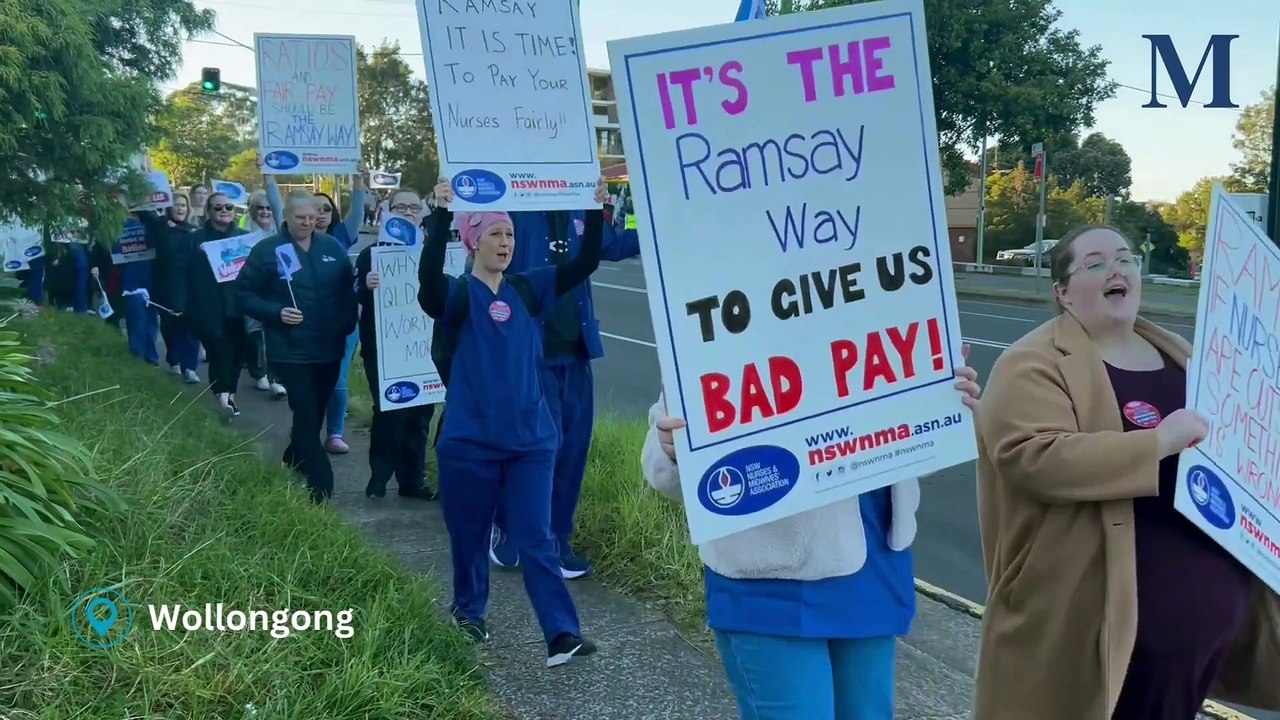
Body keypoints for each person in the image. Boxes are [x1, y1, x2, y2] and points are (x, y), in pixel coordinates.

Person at [973, 225, 1280, 719]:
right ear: (1063, 292)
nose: (1116, 269)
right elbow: (1034, 458)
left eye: (1126, 259)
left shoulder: (1177, 353)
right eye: (1095, 263)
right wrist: (1158, 443)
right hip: (1096, 635)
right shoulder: (1030, 363)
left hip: (1198, 640)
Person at [641, 356, 982, 720]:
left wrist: (944, 404)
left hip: (873, 565)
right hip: (770, 583)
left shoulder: (883, 316)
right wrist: (674, 451)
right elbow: (664, 473)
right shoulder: (713, 331)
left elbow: (911, 451)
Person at [418, 177, 607, 666]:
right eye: (496, 234)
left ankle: (562, 634)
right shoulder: (459, 297)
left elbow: (584, 263)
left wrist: (595, 209)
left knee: (537, 537)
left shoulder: (528, 288)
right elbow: (428, 290)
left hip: (530, 442)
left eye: (510, 236)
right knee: (470, 535)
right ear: (473, 240)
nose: (506, 243)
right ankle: (469, 612)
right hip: (470, 443)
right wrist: (439, 217)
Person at [488, 201, 641, 579]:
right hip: (529, 352)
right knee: (536, 447)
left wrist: (662, 220)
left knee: (572, 448)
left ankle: (557, 539)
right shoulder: (515, 208)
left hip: (575, 351)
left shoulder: (579, 207)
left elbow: (613, 246)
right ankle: (508, 527)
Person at [237, 190, 358, 504]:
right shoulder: (267, 251)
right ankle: (320, 485)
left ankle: (294, 455)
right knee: (304, 411)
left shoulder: (332, 247)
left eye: (313, 217)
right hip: (290, 350)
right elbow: (245, 295)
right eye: (300, 218)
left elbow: (348, 291)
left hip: (329, 348)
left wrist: (346, 324)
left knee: (315, 411)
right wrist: (276, 313)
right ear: (286, 217)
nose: (307, 223)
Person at [355, 187, 438, 500]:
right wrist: (366, 285)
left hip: (424, 351)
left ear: (422, 214)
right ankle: (379, 476)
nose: (407, 213)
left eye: (413, 208)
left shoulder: (434, 252)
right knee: (389, 413)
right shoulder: (372, 255)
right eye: (400, 207)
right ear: (387, 212)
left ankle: (412, 482)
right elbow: (354, 297)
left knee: (419, 419)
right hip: (384, 351)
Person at [176, 193, 250, 418]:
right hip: (208, 307)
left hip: (240, 307)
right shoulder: (193, 239)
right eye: (218, 208)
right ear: (209, 211)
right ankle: (222, 395)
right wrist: (180, 302)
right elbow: (181, 274)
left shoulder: (244, 238)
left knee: (238, 353)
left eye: (228, 207)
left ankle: (230, 395)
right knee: (220, 351)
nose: (224, 211)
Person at [136, 193, 200, 381]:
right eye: (176, 204)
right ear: (169, 207)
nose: (180, 208)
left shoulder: (194, 231)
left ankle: (190, 367)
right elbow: (143, 210)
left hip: (190, 286)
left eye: (183, 205)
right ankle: (174, 360)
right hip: (166, 286)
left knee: (190, 327)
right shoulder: (160, 227)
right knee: (170, 325)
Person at [241, 186, 287, 399]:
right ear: (253, 209)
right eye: (260, 208)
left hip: (275, 289)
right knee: (254, 333)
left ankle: (275, 378)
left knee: (274, 333)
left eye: (269, 208)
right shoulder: (243, 232)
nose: (265, 212)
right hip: (250, 288)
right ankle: (258, 372)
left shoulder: (281, 232)